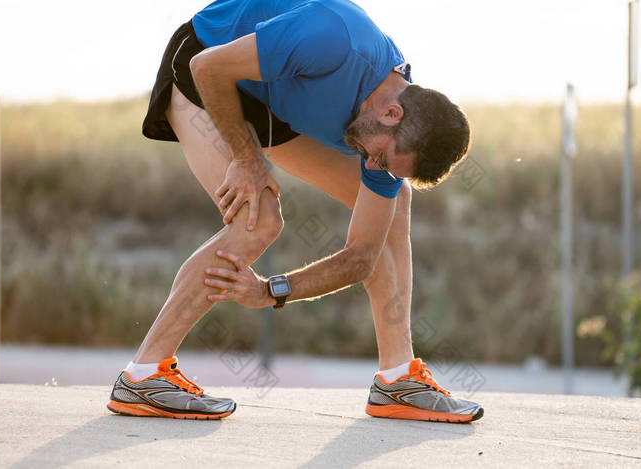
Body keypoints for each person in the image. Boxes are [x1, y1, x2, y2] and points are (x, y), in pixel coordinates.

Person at [107, 0, 482, 423]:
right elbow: (208, 67)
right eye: (379, 157)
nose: (373, 167)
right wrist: (246, 157)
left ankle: (397, 380)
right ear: (391, 112)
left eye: (385, 166)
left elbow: (361, 257)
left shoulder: (394, 133)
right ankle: (144, 376)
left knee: (393, 204)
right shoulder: (333, 38)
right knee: (260, 221)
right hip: (204, 68)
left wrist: (272, 291)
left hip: (276, 96)